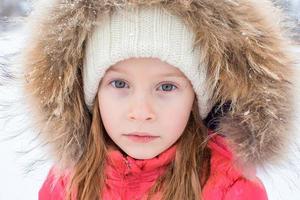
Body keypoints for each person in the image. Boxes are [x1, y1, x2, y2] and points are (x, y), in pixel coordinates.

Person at [21, 0, 297, 199]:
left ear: (198, 99)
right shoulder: (66, 184)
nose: (141, 112)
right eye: (119, 83)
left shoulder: (231, 189)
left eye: (166, 87)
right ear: (90, 95)